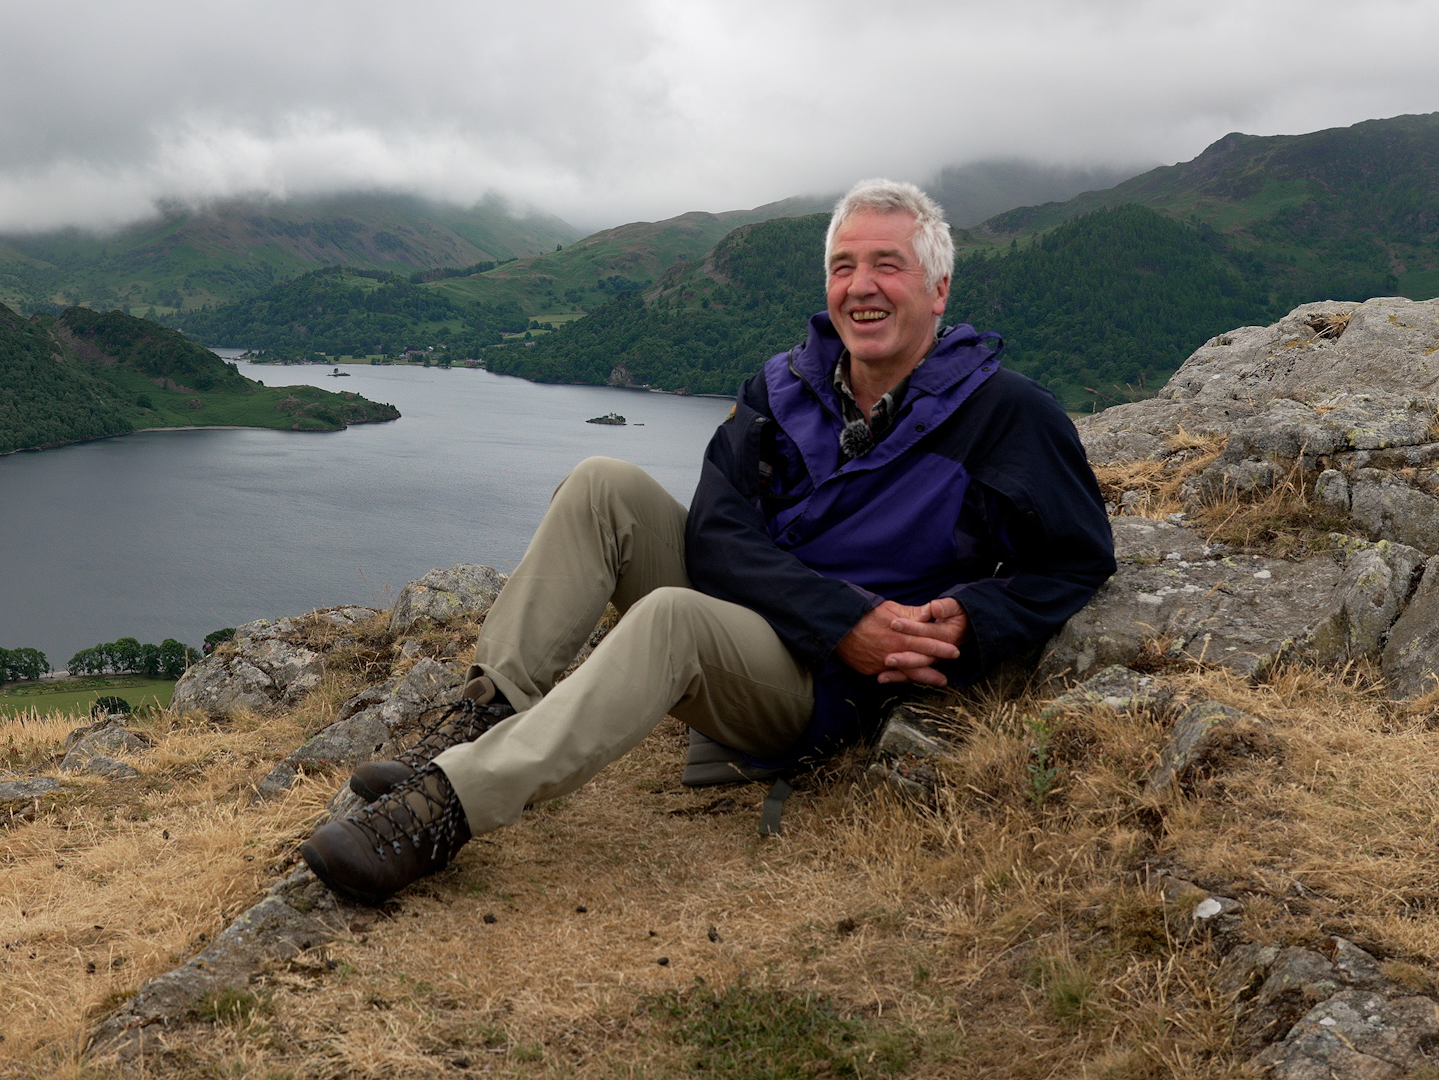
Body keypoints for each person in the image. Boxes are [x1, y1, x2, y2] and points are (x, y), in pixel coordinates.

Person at [299, 179, 1117, 905]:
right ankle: (473, 723)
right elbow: (718, 532)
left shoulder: (1008, 414)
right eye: (843, 267)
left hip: (827, 683)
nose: (861, 287)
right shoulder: (784, 385)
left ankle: (442, 810)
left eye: (887, 265)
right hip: (805, 623)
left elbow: (1078, 559)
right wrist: (839, 615)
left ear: (938, 290)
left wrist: (972, 618)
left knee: (671, 618)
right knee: (601, 484)